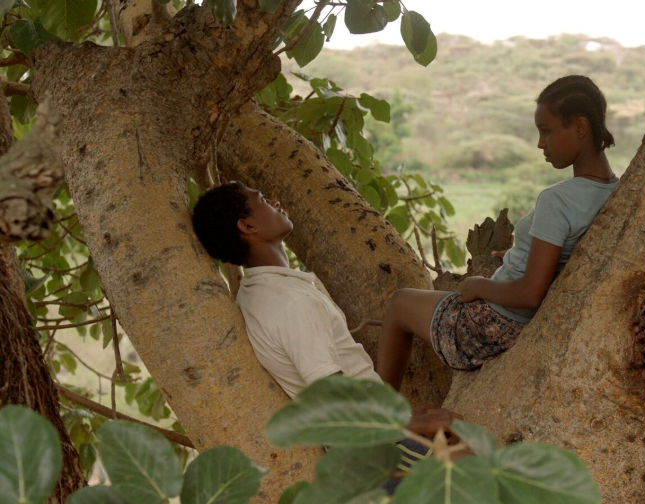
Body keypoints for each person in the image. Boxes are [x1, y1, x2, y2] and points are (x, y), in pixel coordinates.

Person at [190, 181, 459, 491]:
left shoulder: (258, 291)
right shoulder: (291, 303)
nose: (275, 201)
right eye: (262, 199)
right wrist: (412, 424)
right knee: (479, 460)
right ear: (248, 226)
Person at [376, 75, 620, 391]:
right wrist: (524, 253)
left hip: (492, 327)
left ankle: (386, 410)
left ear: (580, 127)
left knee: (399, 303)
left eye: (546, 130)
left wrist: (478, 285)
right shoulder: (615, 190)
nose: (540, 143)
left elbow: (530, 293)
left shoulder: (557, 199)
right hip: (517, 322)